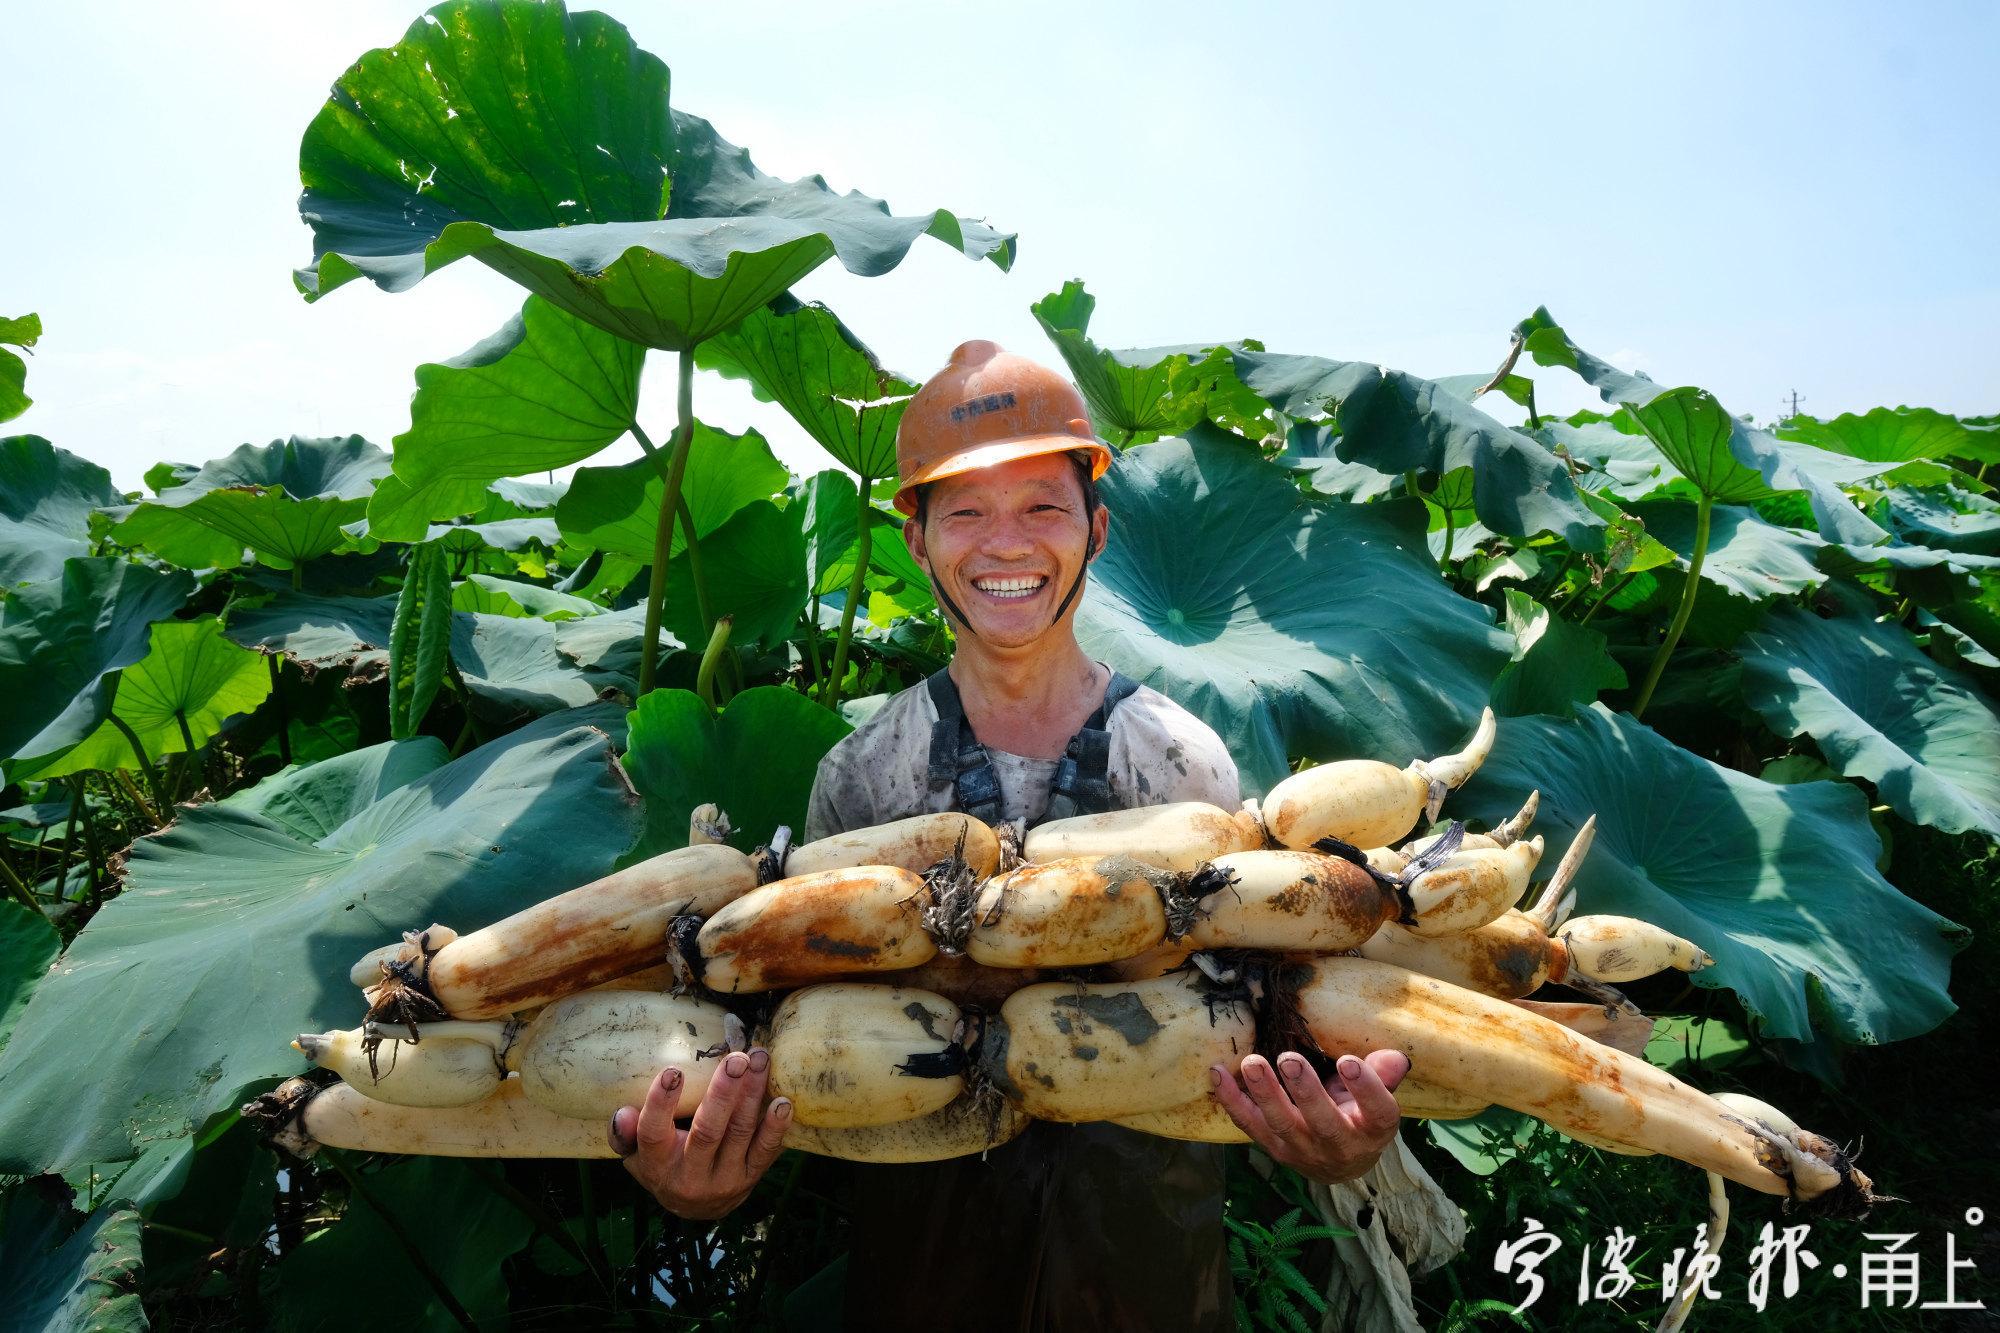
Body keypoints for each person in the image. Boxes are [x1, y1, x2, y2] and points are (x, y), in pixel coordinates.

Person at [609, 341, 1413, 1330]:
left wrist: (1333, 1132)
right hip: (922, 1266)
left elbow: (1264, 1012)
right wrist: (708, 1176)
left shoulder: (1183, 767)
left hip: (1145, 1263)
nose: (1006, 545)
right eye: (965, 512)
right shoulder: (864, 778)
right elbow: (784, 1050)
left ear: (1096, 528)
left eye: (1041, 506)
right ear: (913, 538)